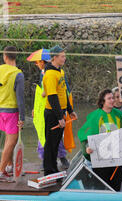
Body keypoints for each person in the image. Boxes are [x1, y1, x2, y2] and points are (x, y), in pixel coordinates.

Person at [78, 89, 122, 191]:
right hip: (100, 160)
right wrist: (87, 148)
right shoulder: (94, 116)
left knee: (116, 187)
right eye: (109, 98)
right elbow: (83, 135)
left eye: (113, 98)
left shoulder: (120, 115)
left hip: (116, 160)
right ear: (102, 102)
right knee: (101, 188)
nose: (112, 100)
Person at [0, 46, 25, 182]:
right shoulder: (18, 74)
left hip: (0, 110)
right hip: (12, 112)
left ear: (5, 56)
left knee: (7, 139)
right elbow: (20, 100)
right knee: (12, 141)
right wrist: (22, 118)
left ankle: (10, 166)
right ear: (15, 57)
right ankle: (0, 172)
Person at [30, 57, 70, 170]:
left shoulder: (55, 73)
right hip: (44, 108)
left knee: (54, 136)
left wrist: (45, 93)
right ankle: (48, 162)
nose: (36, 64)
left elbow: (61, 90)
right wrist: (35, 108)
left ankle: (59, 159)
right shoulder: (43, 73)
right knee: (43, 135)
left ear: (42, 62)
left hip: (53, 108)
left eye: (37, 62)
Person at [42, 45, 77, 176]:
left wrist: (70, 110)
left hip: (61, 111)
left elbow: (63, 93)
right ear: (55, 57)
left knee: (56, 143)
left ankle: (53, 168)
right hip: (52, 114)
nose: (64, 58)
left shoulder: (60, 72)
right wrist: (59, 118)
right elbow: (52, 97)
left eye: (64, 56)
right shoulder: (50, 74)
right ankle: (48, 170)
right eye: (62, 56)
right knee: (50, 143)